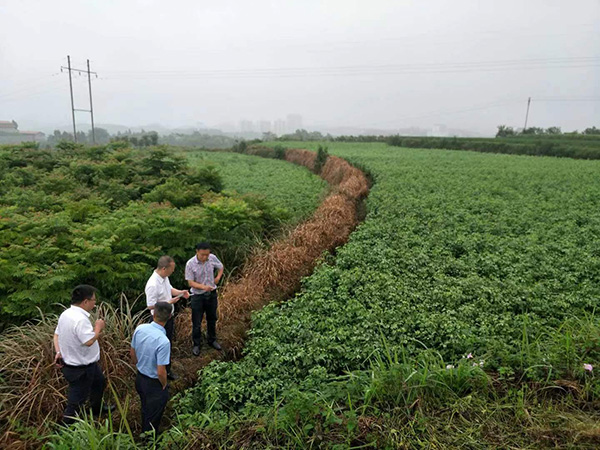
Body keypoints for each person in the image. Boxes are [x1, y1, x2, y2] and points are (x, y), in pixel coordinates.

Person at [53, 284, 110, 424]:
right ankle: (66, 429)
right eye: (93, 300)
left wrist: (58, 352)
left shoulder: (65, 314)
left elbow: (56, 335)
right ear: (85, 301)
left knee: (99, 382)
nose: (95, 303)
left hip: (78, 363)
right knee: (76, 401)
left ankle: (97, 408)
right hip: (80, 369)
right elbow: (89, 341)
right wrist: (98, 328)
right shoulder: (80, 319)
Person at [144, 255, 189, 380]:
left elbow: (169, 289)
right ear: (164, 268)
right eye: (172, 269)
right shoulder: (152, 284)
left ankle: (167, 371)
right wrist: (169, 303)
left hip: (168, 317)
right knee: (160, 345)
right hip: (158, 320)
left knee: (167, 343)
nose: (173, 271)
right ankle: (158, 372)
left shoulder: (164, 278)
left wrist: (181, 292)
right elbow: (150, 306)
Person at [130, 301, 172, 435]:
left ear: (153, 314)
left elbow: (132, 353)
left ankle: (144, 432)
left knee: (145, 407)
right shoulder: (163, 341)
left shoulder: (140, 328)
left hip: (140, 378)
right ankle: (149, 441)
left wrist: (139, 365)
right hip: (154, 384)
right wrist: (164, 385)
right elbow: (161, 371)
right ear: (170, 316)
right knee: (153, 416)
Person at [185, 242, 224, 355]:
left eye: (207, 254)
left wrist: (217, 277)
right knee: (196, 321)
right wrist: (203, 287)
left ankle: (212, 340)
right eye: (202, 254)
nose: (205, 257)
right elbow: (190, 282)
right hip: (197, 296)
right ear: (197, 252)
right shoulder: (190, 264)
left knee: (212, 318)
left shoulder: (212, 258)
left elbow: (220, 267)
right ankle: (197, 344)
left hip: (211, 294)